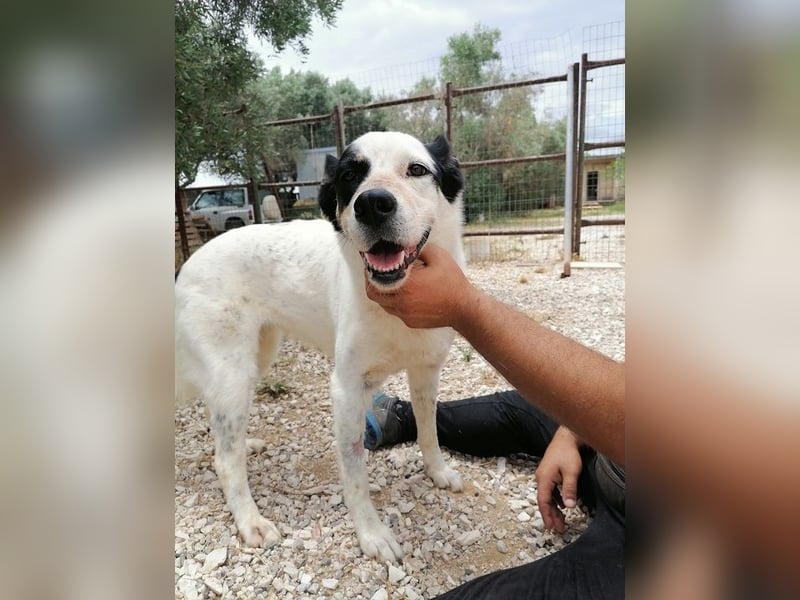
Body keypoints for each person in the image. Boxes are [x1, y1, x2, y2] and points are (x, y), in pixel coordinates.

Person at [363, 244, 626, 599]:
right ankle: (404, 418)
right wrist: (573, 431)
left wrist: (464, 307)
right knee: (524, 406)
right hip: (624, 457)